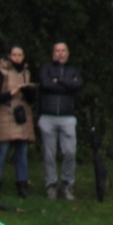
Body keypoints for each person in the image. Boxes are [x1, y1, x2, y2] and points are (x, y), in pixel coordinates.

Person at [36, 42, 83, 199]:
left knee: (70, 152)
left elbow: (77, 85)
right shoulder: (46, 69)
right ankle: (51, 185)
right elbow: (46, 84)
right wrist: (66, 84)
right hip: (48, 116)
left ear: (67, 53)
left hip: (67, 117)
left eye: (63, 50)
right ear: (53, 53)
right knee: (49, 154)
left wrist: (59, 81)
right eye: (57, 50)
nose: (60, 53)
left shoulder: (73, 70)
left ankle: (67, 184)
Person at [0, 45, 36, 198]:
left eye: (20, 55)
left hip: (22, 113)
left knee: (22, 151)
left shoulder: (26, 72)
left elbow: (32, 99)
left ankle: (22, 185)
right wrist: (11, 93)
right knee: (1, 150)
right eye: (14, 55)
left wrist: (29, 91)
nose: (17, 58)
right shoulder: (1, 71)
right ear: (9, 55)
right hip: (6, 112)